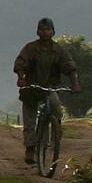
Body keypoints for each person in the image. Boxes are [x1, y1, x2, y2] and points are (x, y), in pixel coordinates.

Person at [14, 17, 80, 167]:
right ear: (37, 32)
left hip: (50, 87)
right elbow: (20, 63)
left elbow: (69, 66)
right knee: (29, 118)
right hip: (32, 87)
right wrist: (21, 78)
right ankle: (30, 148)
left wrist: (75, 84)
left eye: (48, 30)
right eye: (42, 30)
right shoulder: (30, 48)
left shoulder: (58, 50)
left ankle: (56, 133)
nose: (45, 32)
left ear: (53, 32)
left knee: (56, 107)